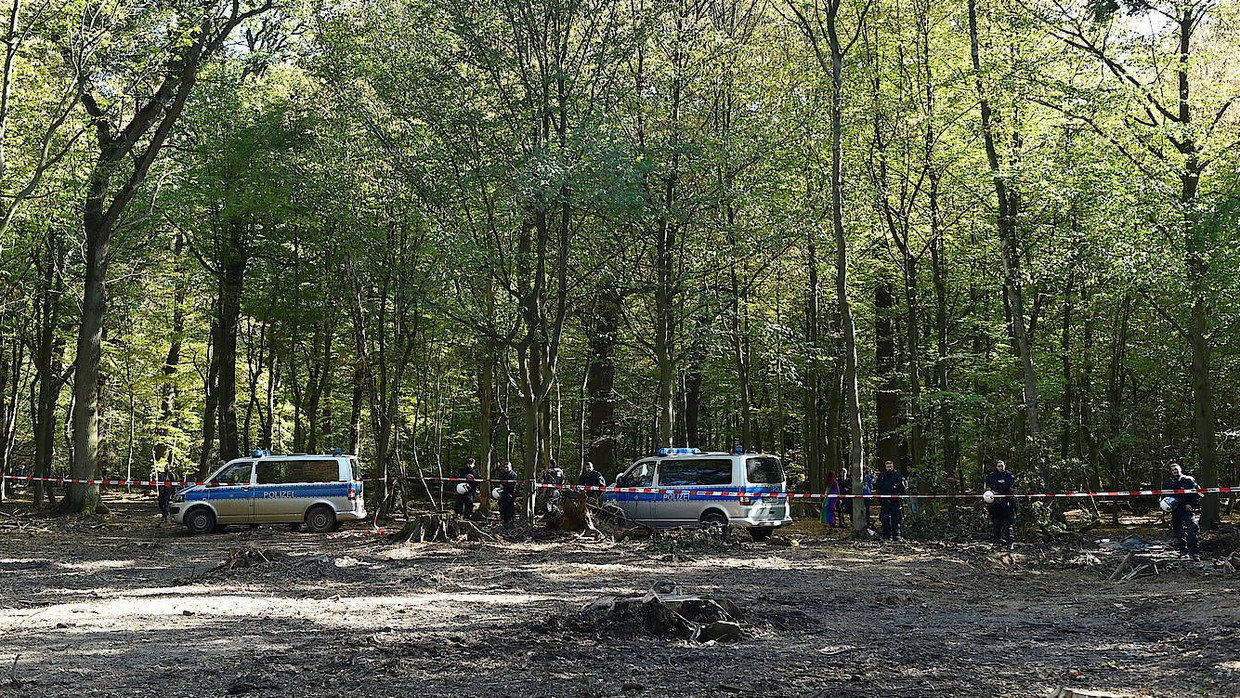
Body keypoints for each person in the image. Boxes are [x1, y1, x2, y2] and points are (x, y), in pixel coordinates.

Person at [1163, 463, 1202, 561]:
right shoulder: (1169, 482)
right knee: (1178, 531)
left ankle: (1194, 553)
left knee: (1193, 529)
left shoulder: (1188, 480)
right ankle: (1183, 552)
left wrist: (1191, 504)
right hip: (1175, 510)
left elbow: (1198, 493)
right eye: (1173, 470)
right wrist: (1167, 506)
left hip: (1187, 509)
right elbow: (1165, 496)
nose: (1175, 471)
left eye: (1176, 469)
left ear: (1180, 469)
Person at [984, 460, 1016, 549]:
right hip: (996, 502)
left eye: (1002, 466)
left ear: (1004, 466)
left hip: (1007, 502)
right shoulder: (992, 475)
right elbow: (989, 482)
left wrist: (998, 484)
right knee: (997, 522)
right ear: (996, 467)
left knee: (1008, 523)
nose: (1000, 468)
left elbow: (1008, 484)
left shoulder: (1009, 475)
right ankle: (996, 543)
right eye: (999, 466)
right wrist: (999, 483)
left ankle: (1010, 543)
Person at [875, 460, 906, 541]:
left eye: (890, 466)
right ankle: (886, 535)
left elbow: (903, 488)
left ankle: (896, 535)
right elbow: (877, 487)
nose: (889, 468)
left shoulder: (898, 476)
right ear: (885, 467)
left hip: (895, 502)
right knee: (884, 519)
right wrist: (880, 497)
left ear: (893, 467)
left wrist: (901, 497)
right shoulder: (881, 477)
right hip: (885, 501)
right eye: (888, 467)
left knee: (896, 519)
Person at [497, 461, 519, 527]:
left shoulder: (513, 475)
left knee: (509, 508)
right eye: (505, 467)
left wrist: (504, 487)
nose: (506, 469)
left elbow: (513, 486)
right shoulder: (503, 474)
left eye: (507, 467)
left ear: (510, 467)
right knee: (502, 507)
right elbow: (500, 482)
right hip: (503, 494)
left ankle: (509, 521)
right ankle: (502, 520)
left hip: (510, 494)